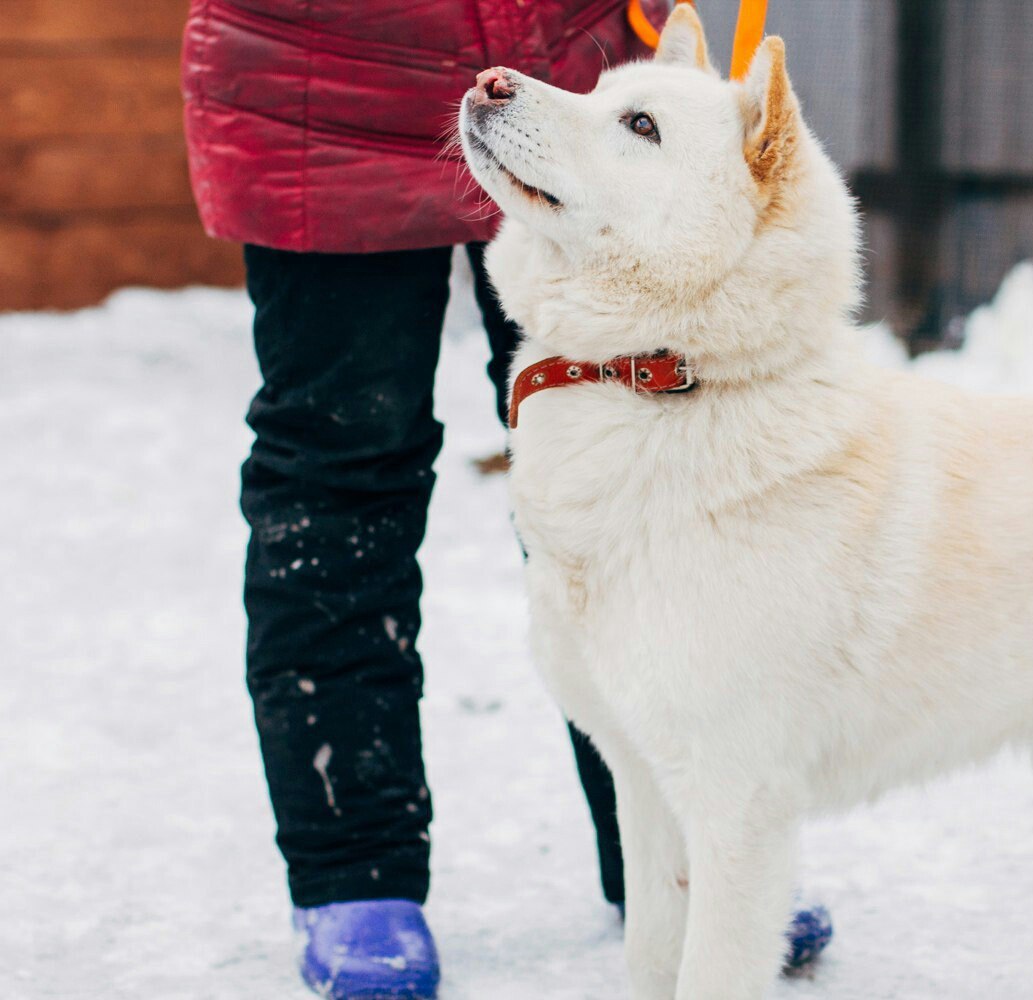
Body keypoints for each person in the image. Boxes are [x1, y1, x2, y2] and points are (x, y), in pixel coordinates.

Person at [181, 2, 830, 997]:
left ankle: (681, 858)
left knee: (644, 469)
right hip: (319, 78)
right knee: (339, 465)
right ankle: (354, 867)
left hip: (561, 60)